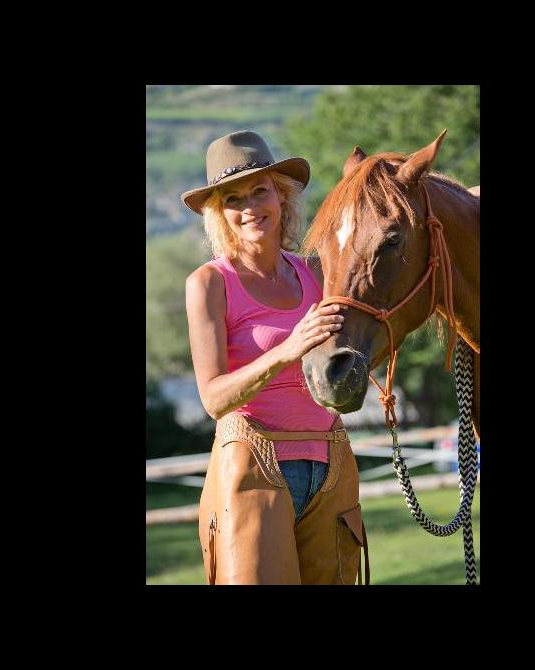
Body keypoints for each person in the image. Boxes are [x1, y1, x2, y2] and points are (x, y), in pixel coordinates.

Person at [183, 130, 367, 584]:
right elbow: (213, 398)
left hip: (330, 464)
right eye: (233, 198)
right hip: (253, 469)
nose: (249, 207)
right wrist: (287, 350)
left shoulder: (317, 272)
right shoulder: (209, 283)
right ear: (220, 213)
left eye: (259, 191)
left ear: (281, 196)